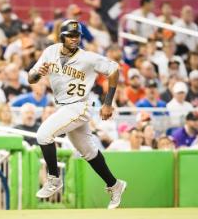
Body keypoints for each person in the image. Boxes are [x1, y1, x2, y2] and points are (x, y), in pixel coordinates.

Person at [28, 19, 126, 209]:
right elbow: (31, 78)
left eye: (77, 36)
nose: (74, 39)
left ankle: (54, 179)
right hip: (64, 107)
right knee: (88, 152)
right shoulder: (50, 52)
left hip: (79, 105)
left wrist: (108, 103)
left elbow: (114, 70)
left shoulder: (88, 57)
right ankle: (115, 185)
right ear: (62, 37)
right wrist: (39, 73)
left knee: (43, 135)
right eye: (70, 36)